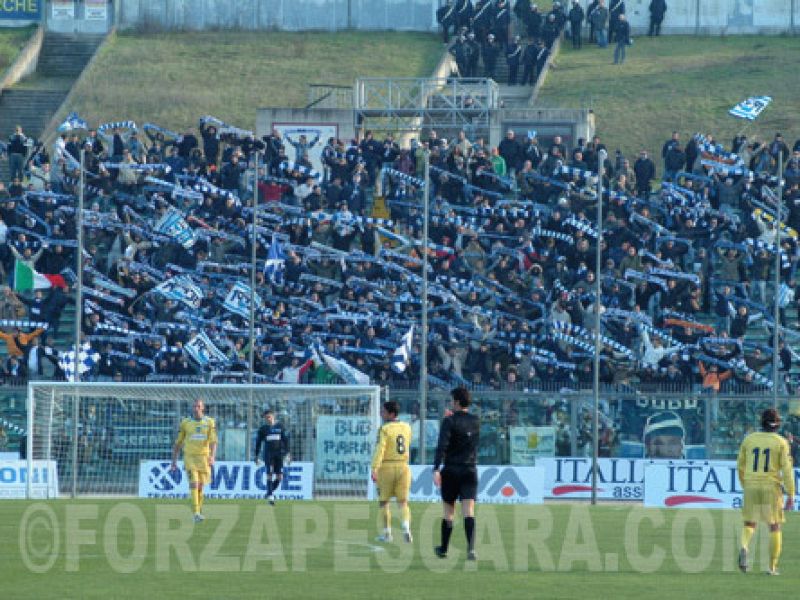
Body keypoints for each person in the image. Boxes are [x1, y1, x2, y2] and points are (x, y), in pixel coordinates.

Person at [737, 408, 795, 575]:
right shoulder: (780, 442)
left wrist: (745, 483)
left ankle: (744, 546)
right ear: (777, 424)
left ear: (761, 422)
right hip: (771, 486)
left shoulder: (749, 440)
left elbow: (740, 465)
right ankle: (772, 567)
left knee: (749, 522)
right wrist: (791, 493)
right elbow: (787, 469)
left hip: (751, 484)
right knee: (774, 526)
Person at [433, 387, 480, 561]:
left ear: (457, 402)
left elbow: (442, 446)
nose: (451, 403)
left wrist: (436, 468)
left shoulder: (449, 421)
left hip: (452, 469)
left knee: (449, 511)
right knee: (469, 510)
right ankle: (471, 549)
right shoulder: (476, 421)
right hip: (470, 470)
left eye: (452, 400)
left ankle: (444, 548)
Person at [370, 401, 413, 543]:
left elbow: (380, 449)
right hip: (403, 467)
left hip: (387, 467)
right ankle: (406, 527)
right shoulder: (407, 427)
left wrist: (374, 467)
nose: (381, 413)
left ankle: (387, 534)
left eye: (383, 411)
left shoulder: (384, 429)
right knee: (403, 502)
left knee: (384, 502)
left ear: (391, 414)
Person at [171, 398, 217, 523]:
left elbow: (213, 441)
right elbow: (178, 442)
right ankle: (196, 513)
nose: (196, 408)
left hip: (204, 458)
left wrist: (212, 456)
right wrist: (174, 461)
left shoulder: (210, 422)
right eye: (194, 406)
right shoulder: (185, 422)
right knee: (194, 483)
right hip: (190, 457)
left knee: (201, 486)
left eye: (198, 406)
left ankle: (198, 510)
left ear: (203, 408)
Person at [254, 408, 290, 505]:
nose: (267, 419)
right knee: (269, 475)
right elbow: (258, 443)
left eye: (269, 417)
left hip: (279, 455)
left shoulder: (280, 427)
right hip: (268, 455)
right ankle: (270, 497)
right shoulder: (263, 429)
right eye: (266, 418)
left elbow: (285, 440)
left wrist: (288, 453)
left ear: (273, 416)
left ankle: (269, 492)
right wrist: (256, 455)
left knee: (280, 477)